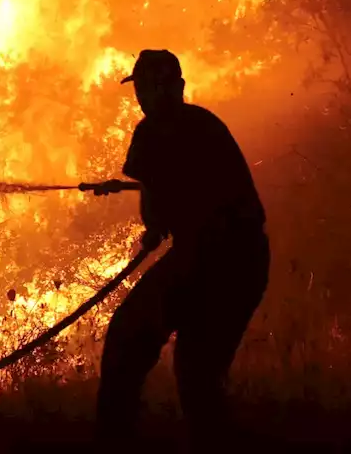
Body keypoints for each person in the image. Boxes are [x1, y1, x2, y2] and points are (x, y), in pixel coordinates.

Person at [90, 49, 270, 446]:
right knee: (198, 373)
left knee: (127, 337)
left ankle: (112, 441)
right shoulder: (205, 123)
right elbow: (194, 185)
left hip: (207, 260)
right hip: (248, 259)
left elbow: (156, 214)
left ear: (159, 87)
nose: (138, 97)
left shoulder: (153, 130)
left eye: (141, 88)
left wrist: (153, 229)